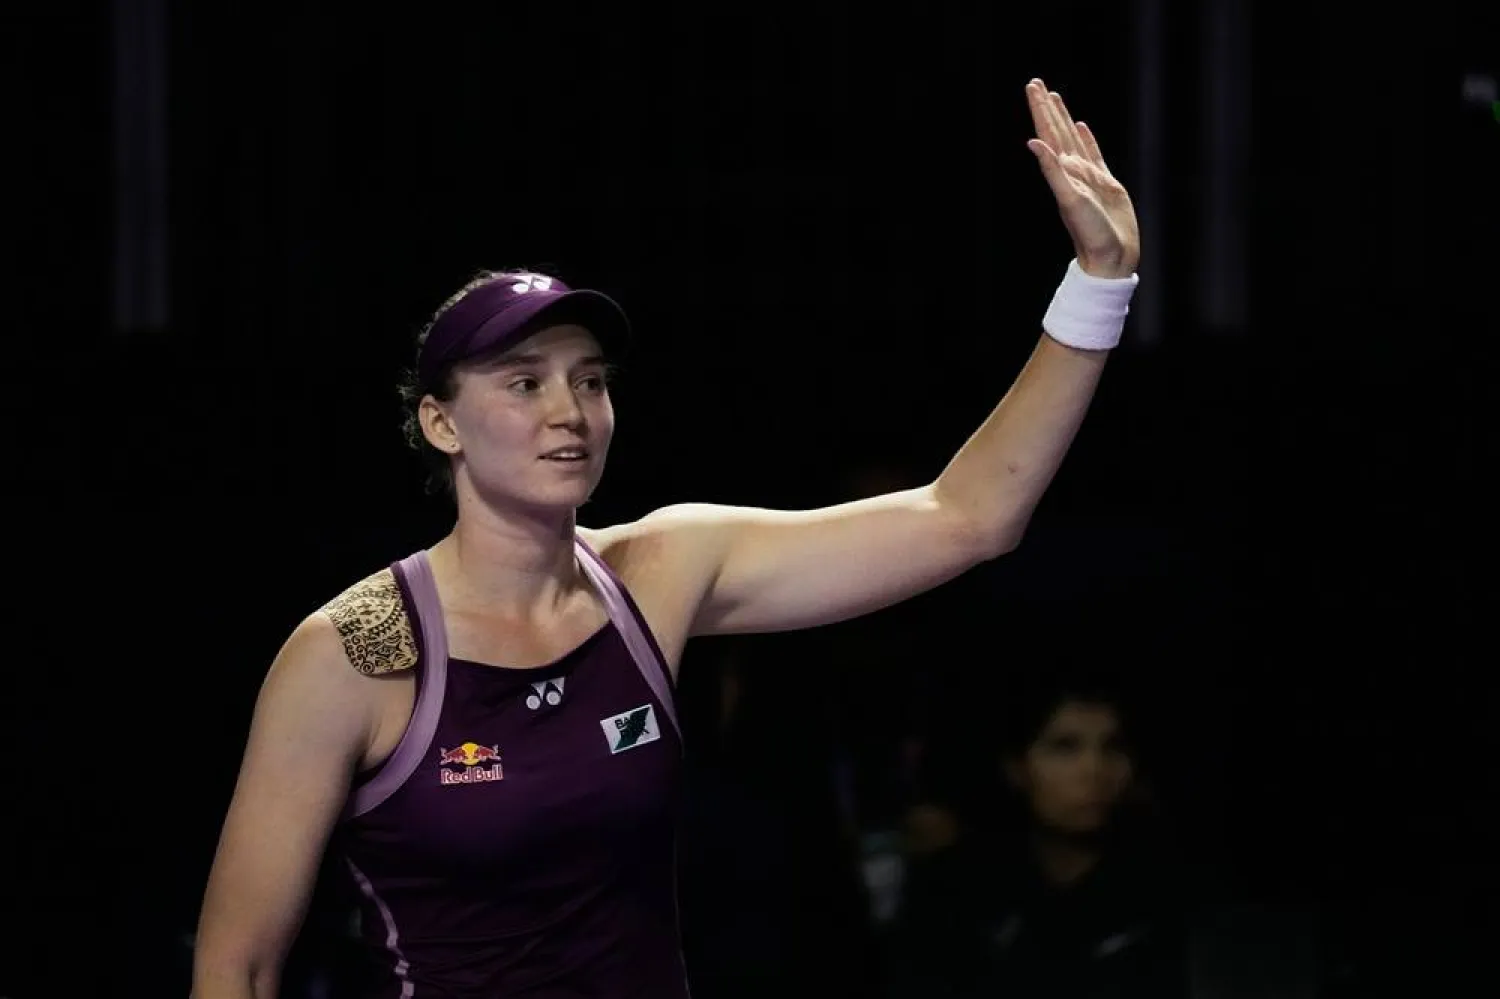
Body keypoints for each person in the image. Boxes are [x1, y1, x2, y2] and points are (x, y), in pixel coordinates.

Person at [190, 78, 1142, 999]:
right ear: (442, 423)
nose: (570, 409)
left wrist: (1100, 282)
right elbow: (239, 969)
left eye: (591, 380)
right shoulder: (354, 652)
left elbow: (968, 517)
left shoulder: (661, 570)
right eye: (525, 382)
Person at [887, 674, 1192, 999]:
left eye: (1114, 747)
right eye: (1064, 747)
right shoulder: (960, 889)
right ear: (1017, 768)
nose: (1095, 769)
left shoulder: (1171, 887)